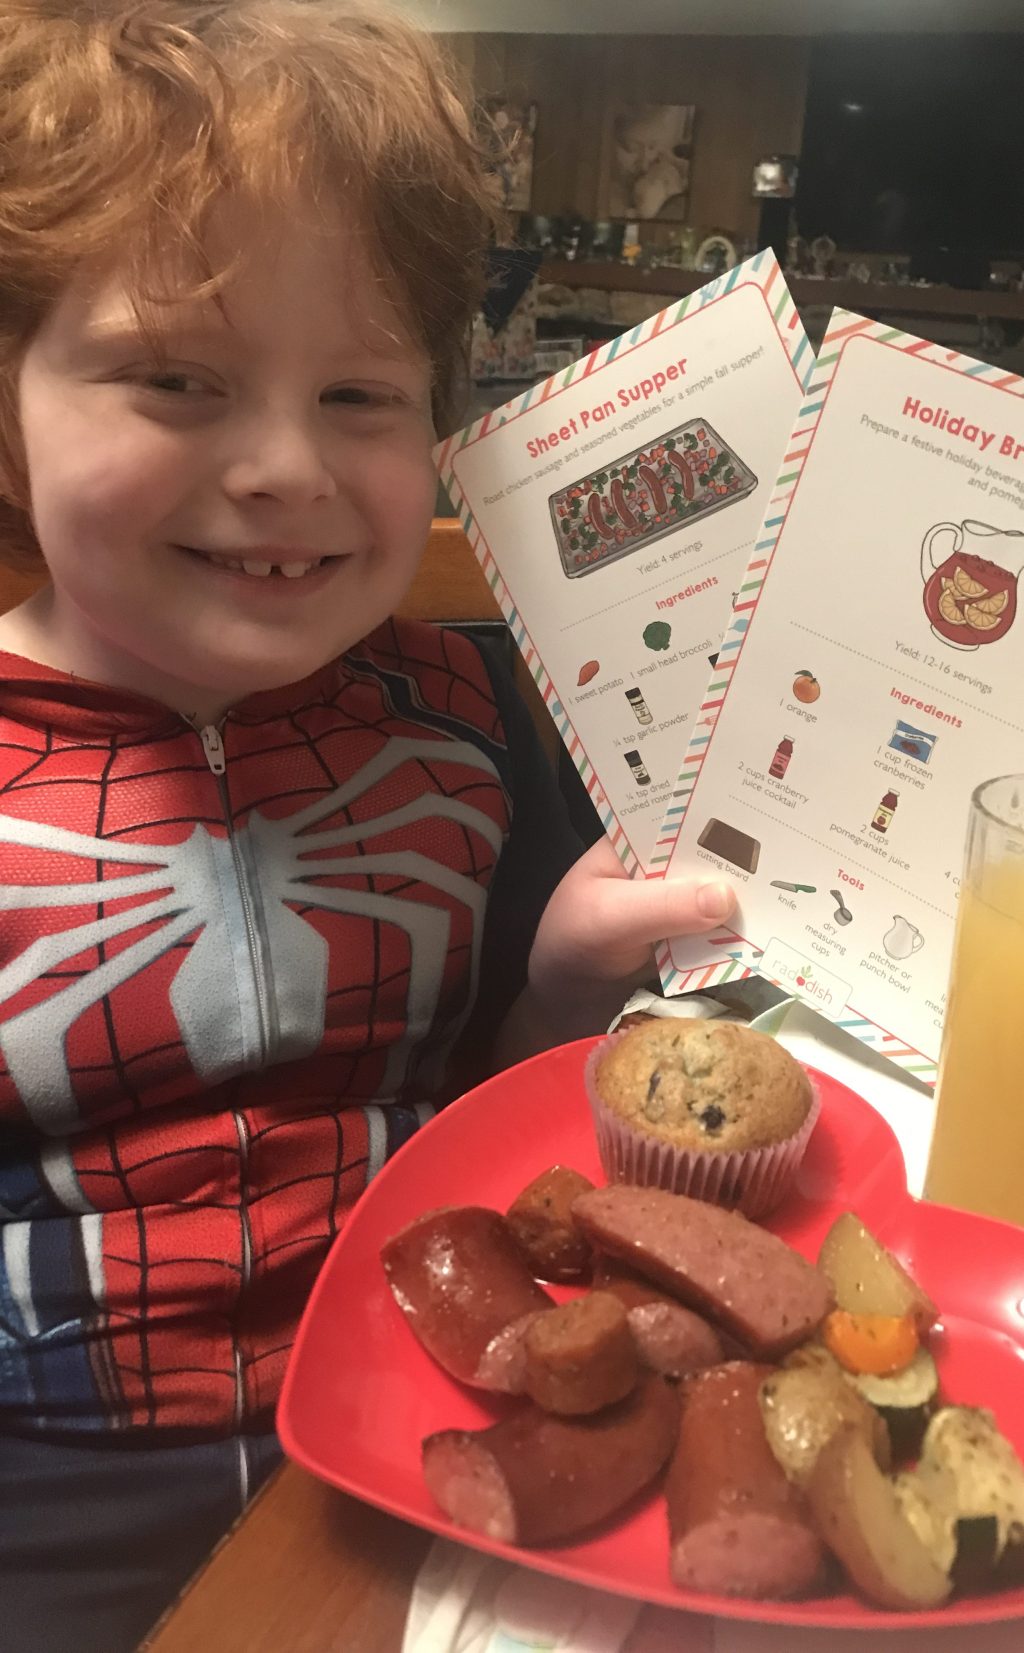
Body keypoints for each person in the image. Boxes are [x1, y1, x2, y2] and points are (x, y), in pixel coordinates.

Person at [0, 4, 735, 1648]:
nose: (285, 465)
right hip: (46, 1508)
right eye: (175, 379)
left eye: (359, 393)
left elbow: (486, 1113)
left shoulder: (470, 717)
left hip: (447, 1430)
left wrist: (557, 986)